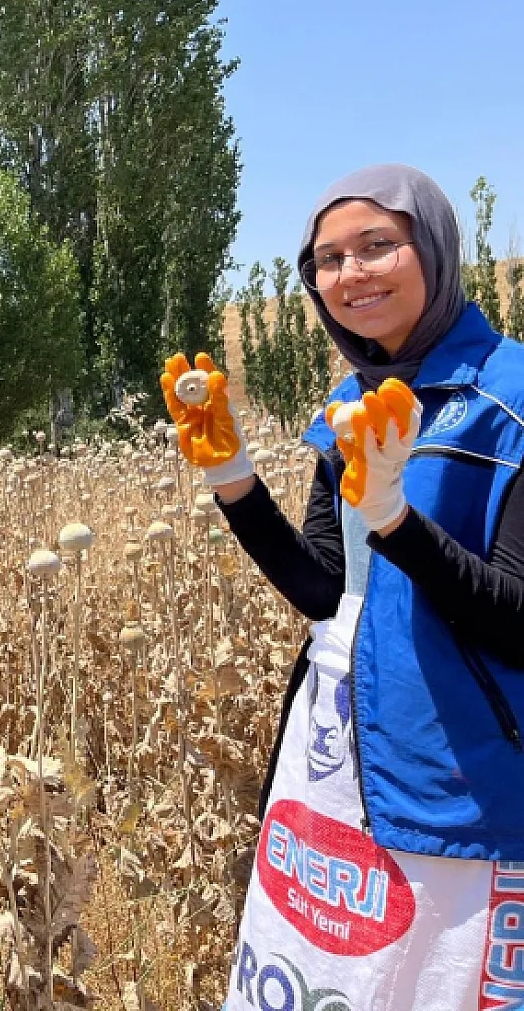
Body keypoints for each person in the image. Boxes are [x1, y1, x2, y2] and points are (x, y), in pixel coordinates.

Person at [162, 165, 524, 1009]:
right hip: (337, 762)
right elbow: (326, 591)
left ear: (434, 248)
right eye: (328, 260)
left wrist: (398, 521)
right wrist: (232, 476)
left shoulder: (510, 404)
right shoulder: (350, 403)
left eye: (376, 246)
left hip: (460, 790)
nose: (350, 275)